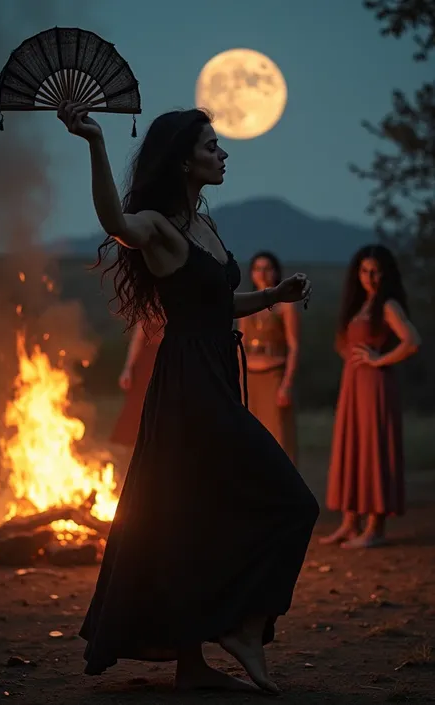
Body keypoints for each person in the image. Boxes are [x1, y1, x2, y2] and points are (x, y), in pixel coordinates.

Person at [57, 100, 319, 695]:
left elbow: (219, 305)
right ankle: (244, 628)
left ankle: (194, 660)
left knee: (193, 516)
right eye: (210, 147)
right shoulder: (155, 225)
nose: (222, 154)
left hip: (215, 373)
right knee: (292, 502)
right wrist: (95, 143)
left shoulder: (204, 222)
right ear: (182, 161)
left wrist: (273, 294)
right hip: (188, 385)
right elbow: (116, 225)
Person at [321, 244, 420, 549]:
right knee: (352, 447)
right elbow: (345, 343)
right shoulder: (360, 303)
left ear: (386, 272)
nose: (370, 277)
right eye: (364, 271)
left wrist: (379, 360)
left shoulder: (388, 305)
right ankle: (350, 524)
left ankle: (374, 528)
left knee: (374, 450)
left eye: (376, 271)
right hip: (354, 386)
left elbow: (412, 341)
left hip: (376, 387)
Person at [240, 251, 299, 463]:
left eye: (267, 268)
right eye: (257, 268)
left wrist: (287, 384)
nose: (262, 273)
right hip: (249, 376)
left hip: (274, 374)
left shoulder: (285, 306)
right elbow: (240, 344)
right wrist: (236, 380)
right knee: (248, 436)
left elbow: (294, 346)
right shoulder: (247, 303)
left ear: (276, 272)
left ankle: (283, 489)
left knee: (277, 435)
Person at [110, 318, 163, 467]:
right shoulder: (148, 314)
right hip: (146, 366)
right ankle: (134, 449)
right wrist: (127, 369)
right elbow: (137, 340)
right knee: (138, 406)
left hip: (166, 363)